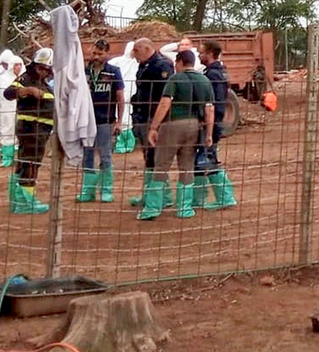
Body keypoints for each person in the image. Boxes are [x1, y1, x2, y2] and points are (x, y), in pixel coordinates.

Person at [141, 49, 216, 220]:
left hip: (173, 125)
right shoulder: (204, 80)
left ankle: (152, 208)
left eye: (176, 62)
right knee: (187, 166)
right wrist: (209, 133)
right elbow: (209, 109)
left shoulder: (175, 79)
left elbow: (165, 103)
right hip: (194, 126)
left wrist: (154, 127)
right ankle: (184, 208)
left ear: (181, 62)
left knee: (161, 165)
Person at [4, 48, 56, 215]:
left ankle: (19, 197)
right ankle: (25, 201)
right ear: (36, 67)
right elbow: (9, 92)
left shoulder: (45, 83)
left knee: (29, 161)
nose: (45, 72)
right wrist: (27, 91)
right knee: (30, 163)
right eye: (42, 69)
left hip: (41, 129)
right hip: (31, 128)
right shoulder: (26, 79)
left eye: (46, 70)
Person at [128, 38, 175, 209]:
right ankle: (150, 193)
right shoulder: (144, 65)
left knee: (156, 157)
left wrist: (157, 121)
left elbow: (164, 95)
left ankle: (163, 196)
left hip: (154, 117)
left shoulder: (162, 65)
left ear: (146, 48)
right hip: (142, 116)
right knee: (149, 157)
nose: (134, 54)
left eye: (136, 49)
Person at [77, 39, 124, 203]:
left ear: (107, 54)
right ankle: (88, 190)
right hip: (86, 121)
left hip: (106, 120)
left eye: (100, 53)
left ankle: (106, 190)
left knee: (105, 155)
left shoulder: (114, 72)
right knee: (87, 155)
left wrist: (119, 121)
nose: (96, 56)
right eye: (94, 53)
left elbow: (120, 97)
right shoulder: (84, 71)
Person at [197, 41, 237, 210]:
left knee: (210, 158)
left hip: (211, 123)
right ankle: (198, 197)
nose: (199, 55)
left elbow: (215, 103)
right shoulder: (217, 72)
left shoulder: (212, 75)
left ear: (211, 53)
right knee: (201, 158)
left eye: (202, 53)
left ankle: (225, 197)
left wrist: (209, 124)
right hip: (213, 122)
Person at [0, 50, 25, 167]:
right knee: (7, 130)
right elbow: (3, 97)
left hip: (22, 109)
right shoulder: (3, 79)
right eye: (15, 65)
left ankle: (20, 156)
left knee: (22, 131)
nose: (18, 67)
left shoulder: (25, 78)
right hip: (6, 110)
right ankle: (7, 157)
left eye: (20, 64)